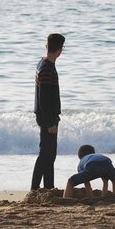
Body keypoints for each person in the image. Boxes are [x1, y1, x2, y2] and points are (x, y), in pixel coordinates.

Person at [31, 33, 64, 190]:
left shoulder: (44, 64)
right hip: (46, 116)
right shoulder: (46, 68)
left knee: (50, 155)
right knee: (45, 155)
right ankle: (35, 189)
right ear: (59, 50)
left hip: (48, 115)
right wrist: (50, 122)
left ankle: (48, 188)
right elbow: (44, 99)